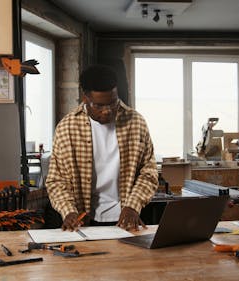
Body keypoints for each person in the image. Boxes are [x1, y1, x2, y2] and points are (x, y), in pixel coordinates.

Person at [46, 64, 158, 231]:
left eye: (113, 103)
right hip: (84, 220)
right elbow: (56, 180)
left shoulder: (136, 122)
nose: (107, 111)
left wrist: (133, 206)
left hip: (128, 217)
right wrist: (68, 212)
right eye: (98, 106)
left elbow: (149, 172)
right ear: (85, 98)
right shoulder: (66, 128)